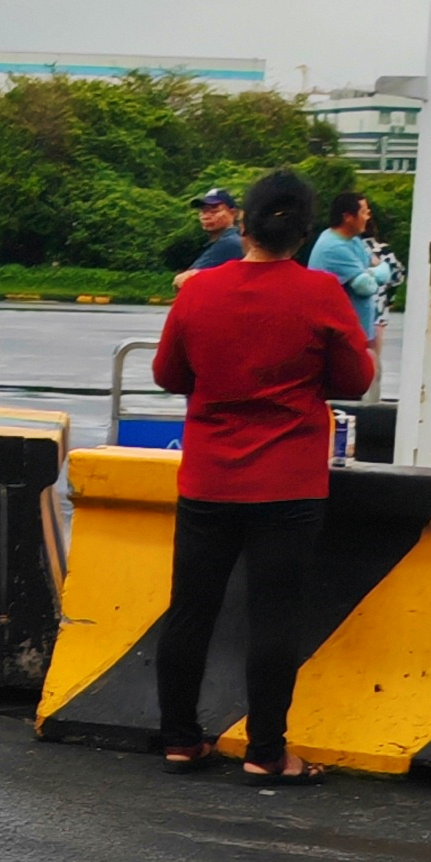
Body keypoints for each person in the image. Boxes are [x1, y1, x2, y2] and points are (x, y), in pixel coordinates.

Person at [147, 169, 373, 784]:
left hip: (208, 480)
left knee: (191, 610)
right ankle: (266, 752)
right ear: (303, 233)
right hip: (288, 483)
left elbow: (167, 374)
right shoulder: (322, 293)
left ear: (242, 223)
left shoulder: (198, 292)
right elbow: (355, 381)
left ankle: (179, 739)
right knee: (274, 617)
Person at [310, 191, 392, 344]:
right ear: (348, 217)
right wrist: (374, 272)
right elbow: (365, 286)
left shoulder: (353, 240)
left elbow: (379, 267)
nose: (368, 217)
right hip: (342, 336)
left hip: (359, 331)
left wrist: (370, 272)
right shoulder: (333, 246)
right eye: (363, 212)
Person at [173, 188, 242, 283]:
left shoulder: (230, 242)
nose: (206, 216)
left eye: (214, 211)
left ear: (233, 213)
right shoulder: (218, 242)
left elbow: (183, 281)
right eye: (203, 211)